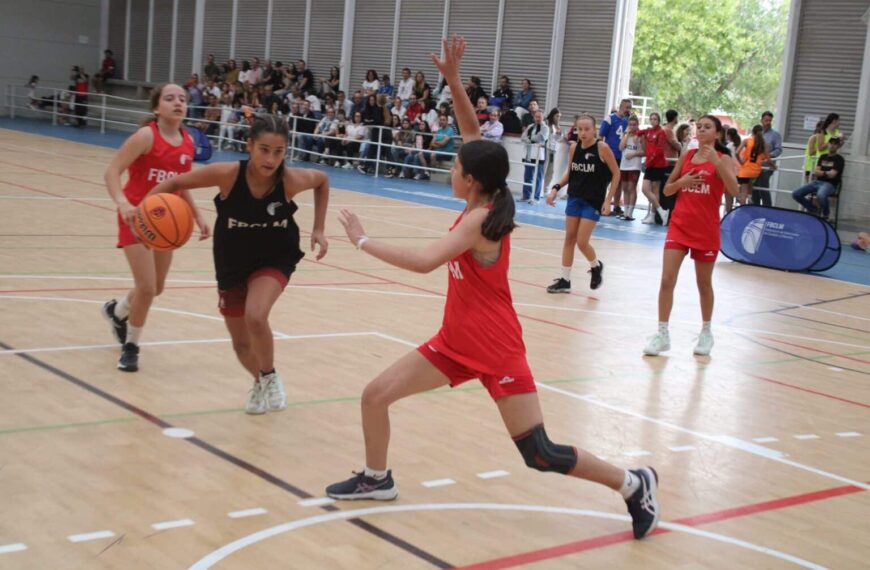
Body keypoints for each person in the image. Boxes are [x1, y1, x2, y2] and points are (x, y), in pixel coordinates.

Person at [325, 36, 660, 542]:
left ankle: (633, 483)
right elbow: (470, 135)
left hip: (497, 349)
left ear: (472, 180)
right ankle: (378, 478)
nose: (452, 170)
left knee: (540, 453)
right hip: (455, 344)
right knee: (375, 396)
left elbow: (422, 262)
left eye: (457, 169)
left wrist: (363, 240)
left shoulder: (479, 220)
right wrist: (456, 81)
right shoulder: (485, 193)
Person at [145, 114, 329, 414]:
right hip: (231, 260)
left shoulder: (290, 181)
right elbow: (176, 181)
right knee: (241, 345)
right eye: (264, 149)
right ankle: (258, 382)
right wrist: (145, 211)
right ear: (249, 146)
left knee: (255, 316)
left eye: (279, 151)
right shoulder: (229, 174)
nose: (271, 158)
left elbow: (322, 181)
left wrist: (319, 228)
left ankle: (269, 376)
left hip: (275, 256)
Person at [101, 84, 209, 372]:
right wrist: (123, 203)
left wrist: (198, 217)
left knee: (156, 288)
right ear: (156, 107)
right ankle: (131, 346)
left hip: (165, 222)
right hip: (135, 218)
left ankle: (117, 311)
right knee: (147, 287)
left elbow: (181, 184)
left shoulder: (188, 142)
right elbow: (112, 171)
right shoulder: (146, 136)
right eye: (170, 98)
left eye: (183, 99)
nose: (178, 103)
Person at [643, 115, 739, 357]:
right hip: (680, 226)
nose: (701, 130)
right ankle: (662, 333)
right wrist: (683, 181)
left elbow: (735, 190)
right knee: (667, 279)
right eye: (700, 126)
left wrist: (717, 163)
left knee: (703, 284)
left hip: (706, 230)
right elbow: (667, 189)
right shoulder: (687, 156)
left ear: (717, 134)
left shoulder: (724, 158)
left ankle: (706, 332)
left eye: (707, 127)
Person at [544, 114, 620, 293]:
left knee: (582, 241)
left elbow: (617, 174)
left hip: (592, 201)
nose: (583, 132)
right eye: (580, 129)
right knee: (569, 238)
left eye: (587, 129)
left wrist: (608, 200)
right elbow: (570, 174)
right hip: (575, 198)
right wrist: (555, 189)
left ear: (594, 130)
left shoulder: (602, 148)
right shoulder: (574, 148)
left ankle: (596, 266)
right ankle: (565, 280)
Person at [792, 137, 845, 220]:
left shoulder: (840, 159)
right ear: (828, 144)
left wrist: (822, 173)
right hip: (817, 182)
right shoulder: (823, 156)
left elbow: (833, 175)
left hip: (830, 184)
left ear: (838, 146)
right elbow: (816, 171)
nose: (832, 145)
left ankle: (826, 214)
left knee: (821, 195)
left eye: (835, 144)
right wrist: (825, 173)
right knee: (796, 194)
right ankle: (813, 209)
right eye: (831, 143)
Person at [599, 99, 632, 216]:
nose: (628, 110)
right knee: (605, 181)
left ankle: (616, 206)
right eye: (627, 107)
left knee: (618, 183)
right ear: (621, 107)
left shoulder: (629, 122)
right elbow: (600, 136)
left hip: (622, 156)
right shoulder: (610, 119)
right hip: (609, 154)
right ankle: (600, 204)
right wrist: (600, 153)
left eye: (630, 107)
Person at [638, 113, 671, 224]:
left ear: (659, 120)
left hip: (658, 164)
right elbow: (638, 132)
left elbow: (660, 150)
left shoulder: (661, 132)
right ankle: (661, 211)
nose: (653, 121)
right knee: (645, 189)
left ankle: (654, 215)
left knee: (654, 189)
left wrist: (651, 160)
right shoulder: (649, 131)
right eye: (651, 119)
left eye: (655, 119)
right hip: (650, 164)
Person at [618, 115, 645, 221]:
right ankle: (625, 211)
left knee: (631, 187)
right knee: (624, 188)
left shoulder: (640, 136)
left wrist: (633, 154)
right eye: (630, 125)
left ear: (637, 125)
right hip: (624, 165)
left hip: (635, 165)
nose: (632, 127)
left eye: (634, 125)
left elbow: (644, 151)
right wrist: (626, 135)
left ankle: (630, 212)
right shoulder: (626, 134)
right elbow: (620, 147)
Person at [754, 111, 782, 207]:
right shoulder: (757, 133)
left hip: (766, 166)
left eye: (770, 120)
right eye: (766, 120)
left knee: (763, 187)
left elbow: (778, 150)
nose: (768, 122)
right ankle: (755, 208)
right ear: (761, 120)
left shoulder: (775, 135)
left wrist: (769, 156)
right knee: (754, 189)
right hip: (755, 166)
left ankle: (768, 209)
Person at [735, 124, 769, 205]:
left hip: (746, 169)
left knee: (743, 190)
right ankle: (749, 198)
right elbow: (767, 158)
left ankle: (741, 205)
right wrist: (773, 166)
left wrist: (741, 162)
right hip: (756, 170)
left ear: (752, 132)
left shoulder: (747, 141)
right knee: (750, 185)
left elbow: (736, 153)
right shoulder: (763, 143)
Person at [521, 109, 549, 203]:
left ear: (543, 117)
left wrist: (529, 139)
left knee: (538, 177)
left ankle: (536, 198)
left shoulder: (545, 128)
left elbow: (541, 138)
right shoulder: (530, 126)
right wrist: (530, 139)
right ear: (534, 117)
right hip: (529, 154)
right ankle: (526, 196)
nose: (537, 118)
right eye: (536, 117)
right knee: (527, 176)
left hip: (539, 155)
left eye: (539, 117)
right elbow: (523, 137)